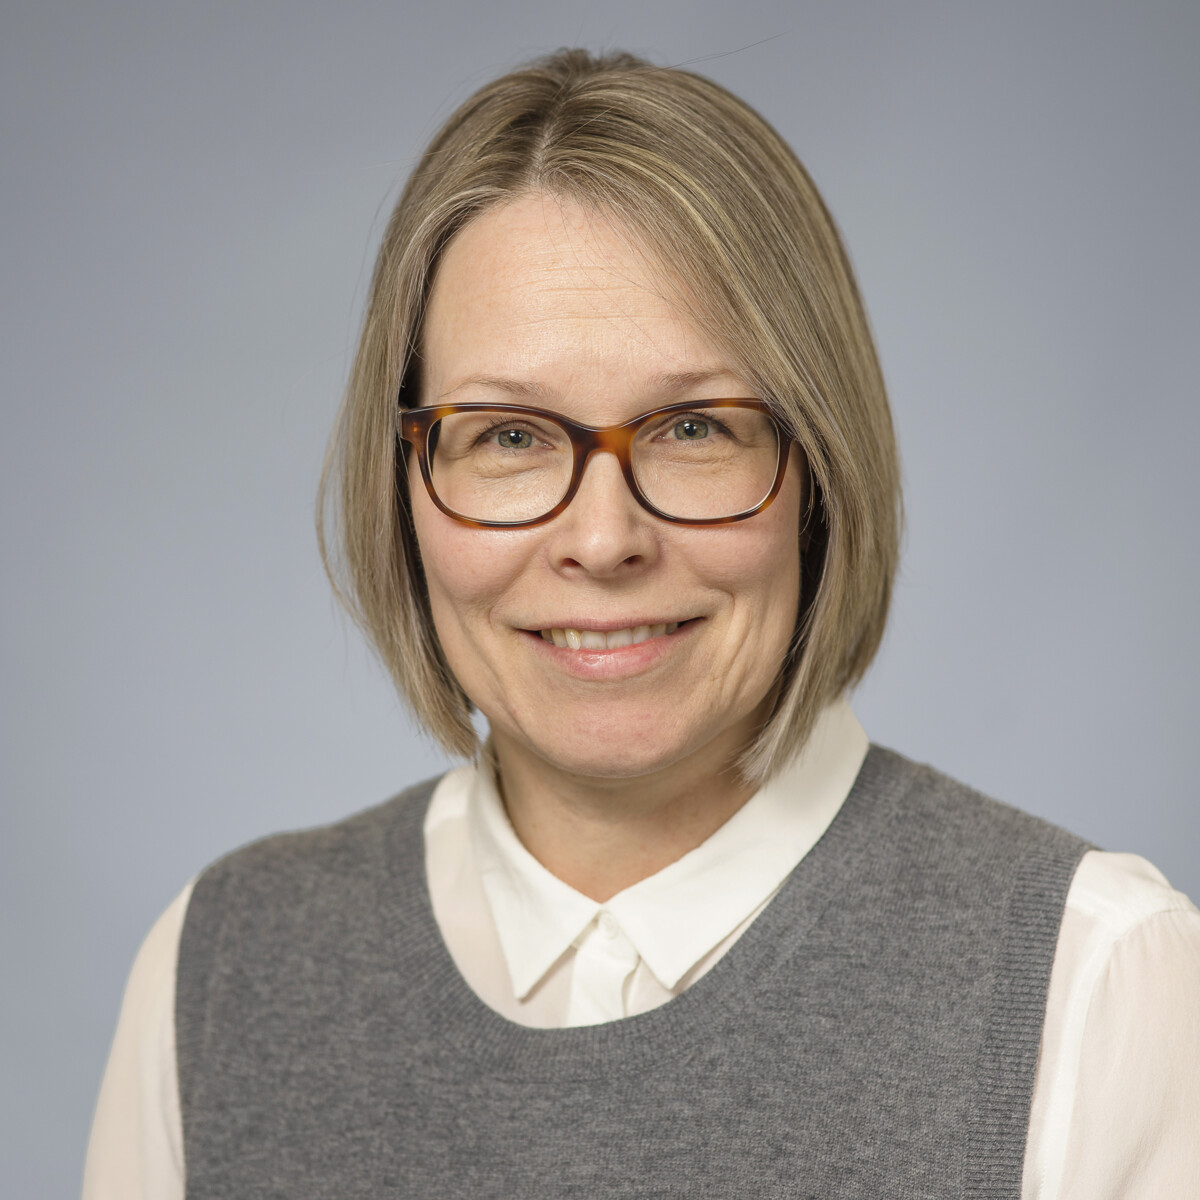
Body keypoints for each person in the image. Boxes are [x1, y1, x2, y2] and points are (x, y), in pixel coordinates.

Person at [84, 49, 1199, 1198]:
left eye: (694, 428)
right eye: (510, 436)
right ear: (403, 485)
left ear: (820, 473)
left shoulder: (1096, 982)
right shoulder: (220, 974)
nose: (603, 538)